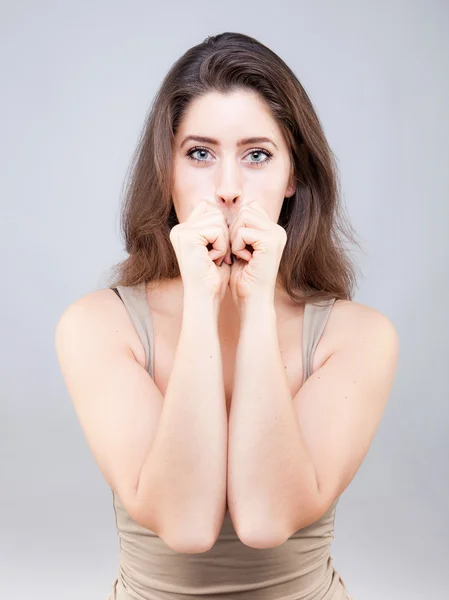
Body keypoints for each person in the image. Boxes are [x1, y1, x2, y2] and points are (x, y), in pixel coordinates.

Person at [54, 31, 399, 600]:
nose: (229, 189)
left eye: (257, 155)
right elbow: (186, 524)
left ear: (294, 177)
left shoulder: (358, 336)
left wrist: (258, 304)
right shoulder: (98, 325)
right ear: (167, 172)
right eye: (200, 153)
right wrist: (201, 305)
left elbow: (266, 520)